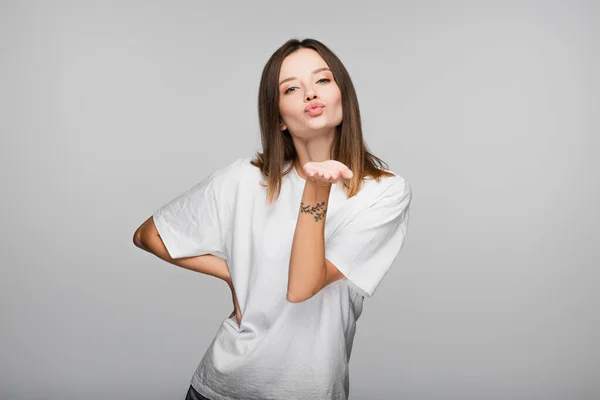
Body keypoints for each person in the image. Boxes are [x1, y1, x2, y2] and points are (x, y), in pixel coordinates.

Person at [133, 38, 413, 400]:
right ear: (278, 117)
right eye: (292, 88)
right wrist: (234, 272)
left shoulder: (384, 193)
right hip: (220, 388)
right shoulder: (243, 178)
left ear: (344, 94)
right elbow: (148, 235)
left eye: (323, 81)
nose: (310, 94)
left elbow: (301, 287)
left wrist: (315, 187)